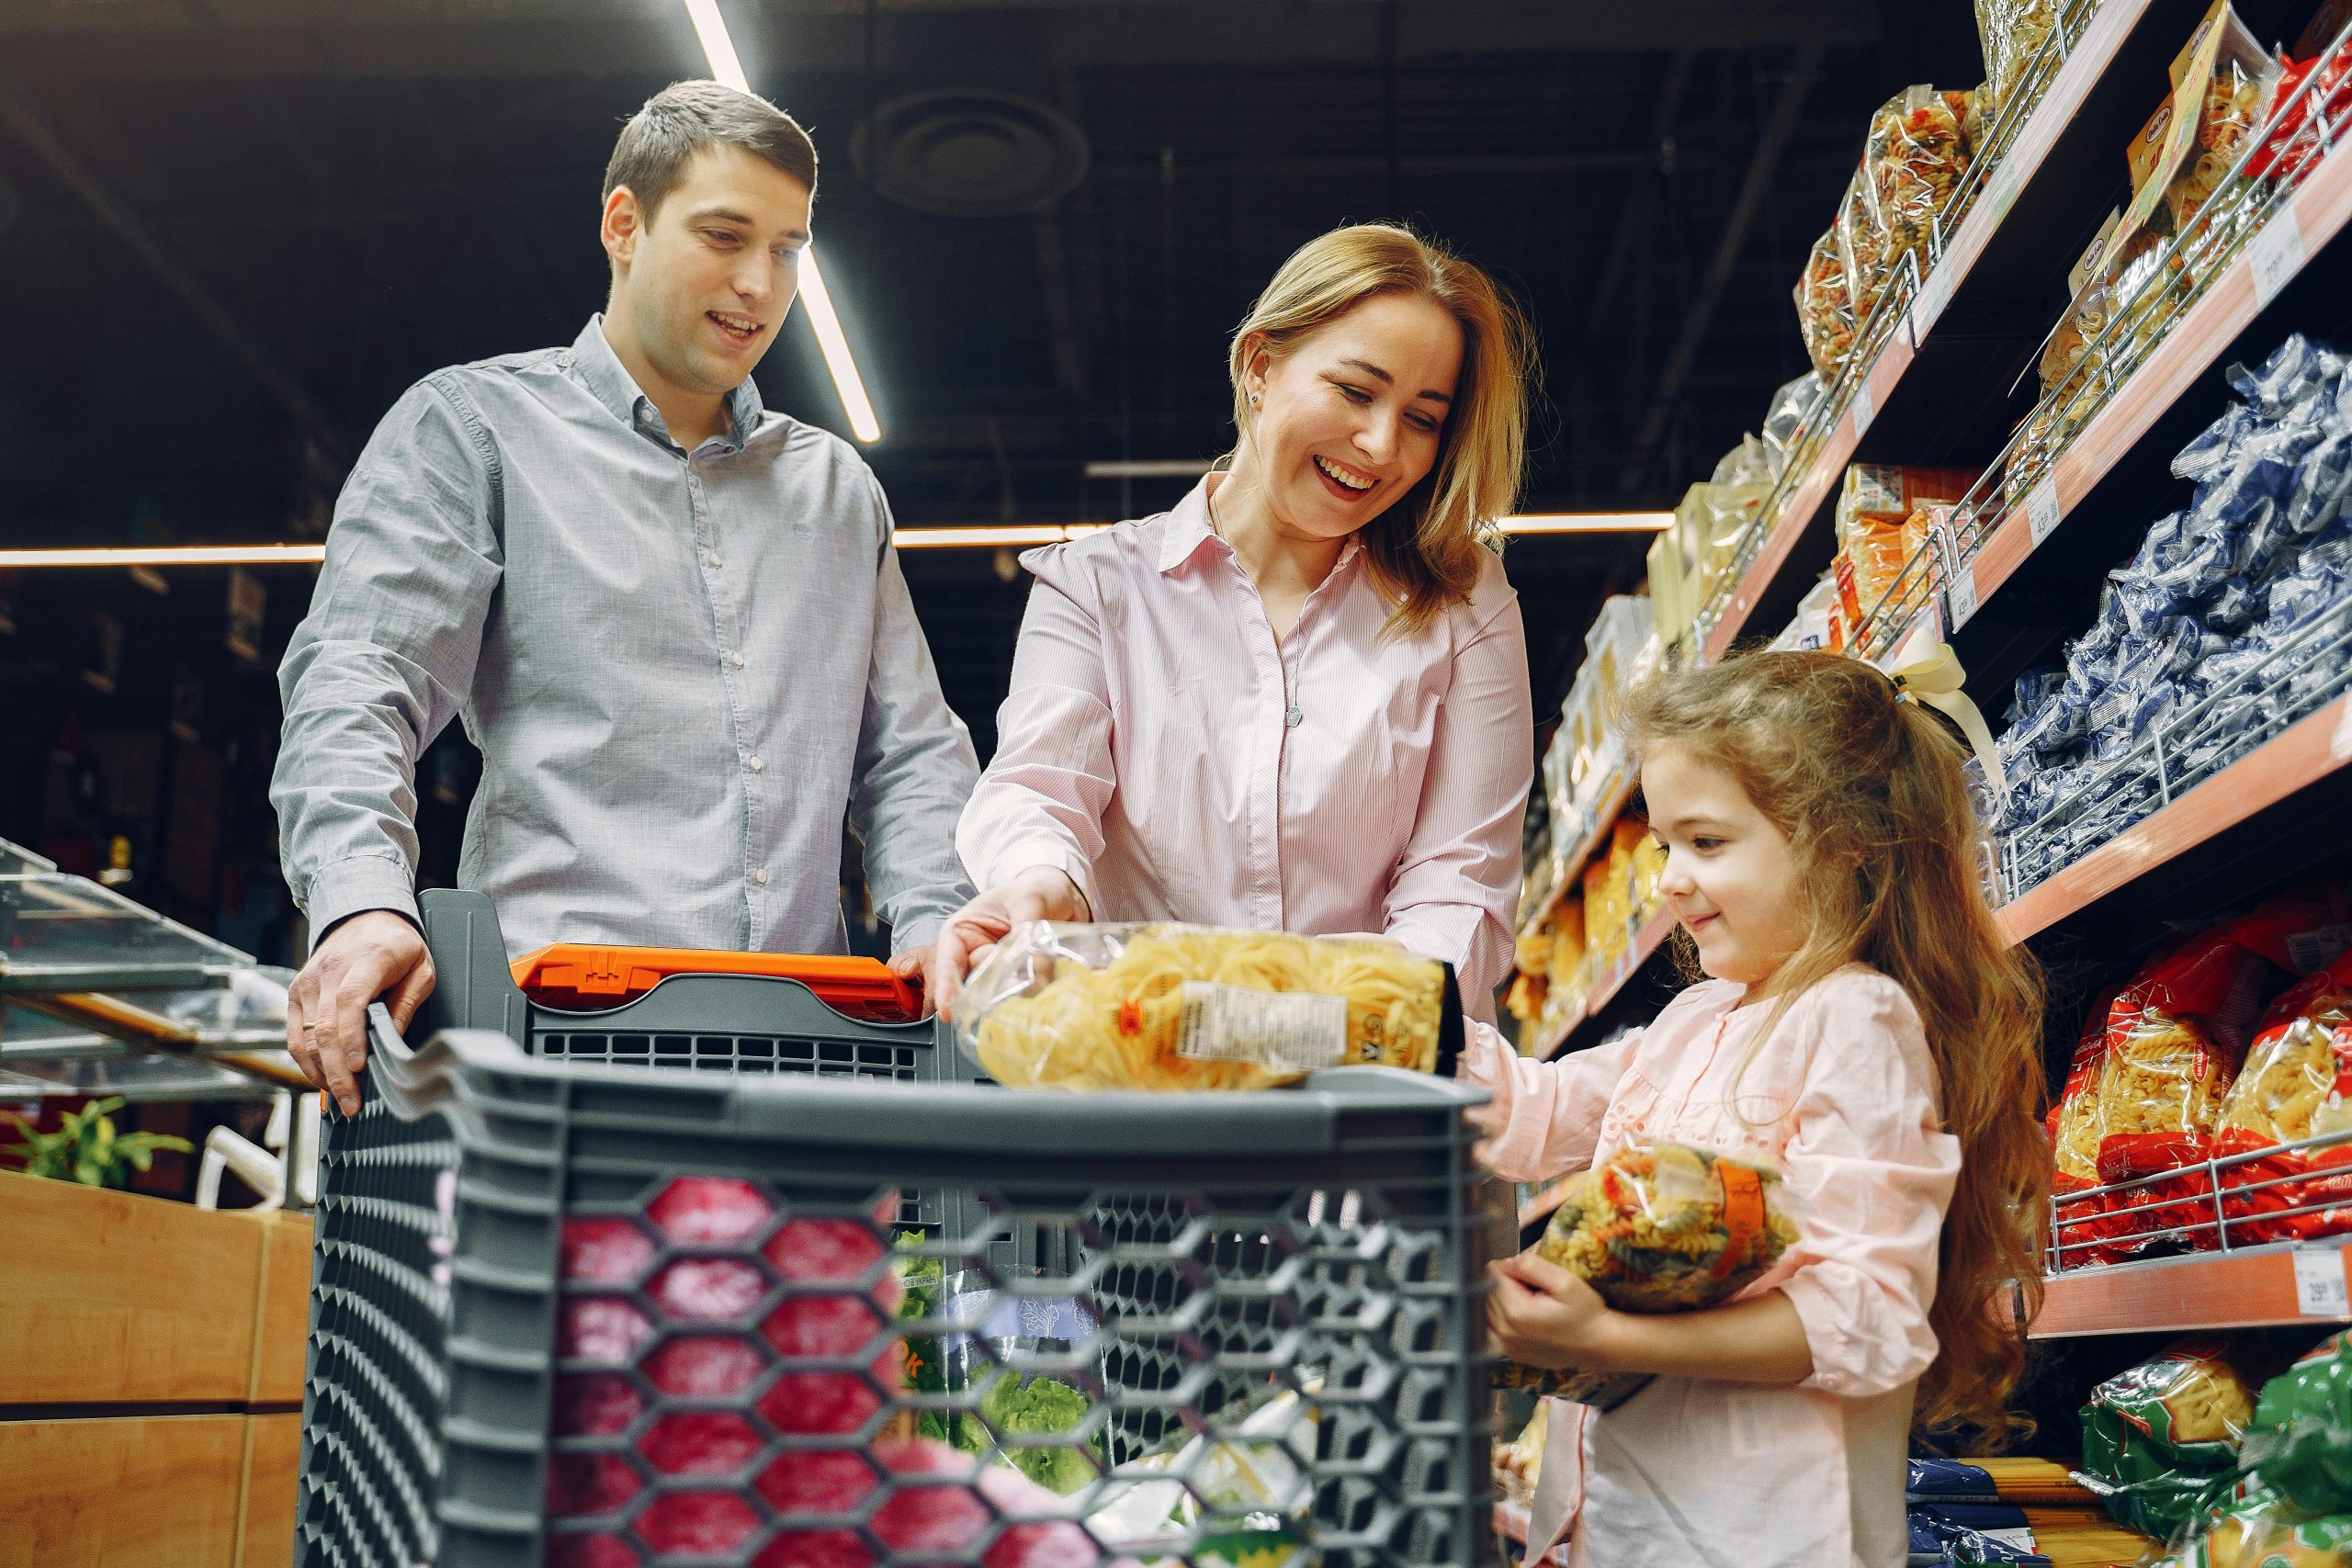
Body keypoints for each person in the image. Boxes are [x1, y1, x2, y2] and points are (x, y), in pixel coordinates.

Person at [272, 82, 978, 1113]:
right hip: (549, 1058)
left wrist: (936, 924)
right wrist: (361, 905)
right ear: (624, 224)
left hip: (808, 1063)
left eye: (787, 249)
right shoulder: (474, 432)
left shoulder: (835, 492)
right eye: (725, 235)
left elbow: (909, 751)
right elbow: (359, 681)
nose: (758, 283)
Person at [1467, 650, 2049, 1568]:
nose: (1667, 880)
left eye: (1705, 843)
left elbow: (1865, 1315)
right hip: (1619, 1526)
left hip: (1762, 1535)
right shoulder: (1693, 1020)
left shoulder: (1854, 1021)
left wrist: (1603, 1338)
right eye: (1663, 844)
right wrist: (1384, 1005)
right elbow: (1528, 1112)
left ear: (1845, 842)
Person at [930, 223, 1536, 1021]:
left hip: (1371, 1083)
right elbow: (1040, 787)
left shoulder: (1464, 603)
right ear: (1260, 365)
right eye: (1356, 391)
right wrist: (1041, 885)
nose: (1382, 444)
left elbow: (1460, 881)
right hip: (1143, 1068)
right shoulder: (1096, 586)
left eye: (1423, 418)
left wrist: (1316, 1024)